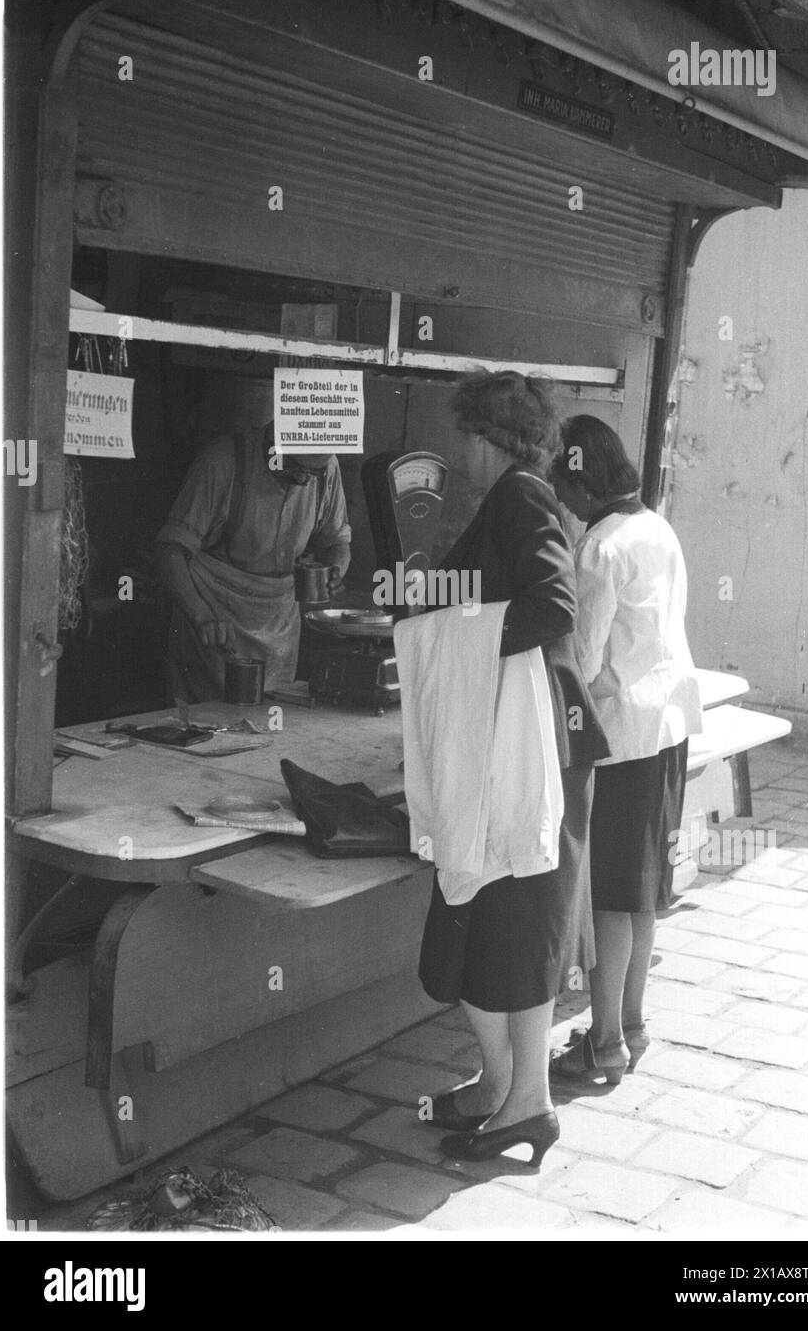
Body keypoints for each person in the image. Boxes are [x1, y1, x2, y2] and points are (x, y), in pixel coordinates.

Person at [400, 372, 610, 1166]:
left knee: (503, 925)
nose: (462, 451)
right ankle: (504, 1091)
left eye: (467, 436)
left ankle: (525, 1100)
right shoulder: (524, 495)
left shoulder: (519, 494)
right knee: (510, 927)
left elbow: (553, 604)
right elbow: (504, 596)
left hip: (533, 747)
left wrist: (460, 643)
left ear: (492, 437)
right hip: (535, 739)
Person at [548, 415, 702, 1084]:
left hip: (621, 737)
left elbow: (581, 658)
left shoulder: (599, 548)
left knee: (609, 893)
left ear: (582, 482)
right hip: (667, 726)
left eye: (563, 488)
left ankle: (604, 1040)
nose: (561, 502)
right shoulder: (656, 528)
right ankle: (630, 1027)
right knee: (641, 891)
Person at [155, 420, 351, 702]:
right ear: (273, 442)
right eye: (294, 466)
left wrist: (336, 569)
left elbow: (337, 542)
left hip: (280, 618)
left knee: (272, 717)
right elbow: (169, 552)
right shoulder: (222, 461)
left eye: (312, 472)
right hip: (215, 610)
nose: (303, 479)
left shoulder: (326, 467)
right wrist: (201, 616)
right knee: (209, 720)